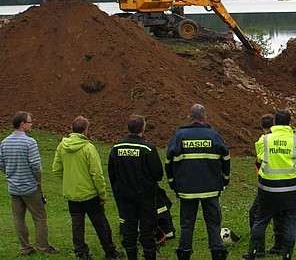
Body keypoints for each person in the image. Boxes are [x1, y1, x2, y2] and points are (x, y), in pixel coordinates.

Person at [52, 115, 123, 260]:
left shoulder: (62, 146)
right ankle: (110, 252)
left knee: (77, 225)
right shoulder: (88, 148)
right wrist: (102, 194)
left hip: (72, 194)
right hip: (90, 194)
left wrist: (69, 181)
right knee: (101, 224)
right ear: (85, 130)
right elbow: (97, 174)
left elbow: (56, 169)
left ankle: (81, 253)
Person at [166, 104, 230, 260]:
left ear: (190, 117)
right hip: (211, 189)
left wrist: (173, 183)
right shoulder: (214, 135)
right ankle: (217, 253)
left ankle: (184, 253)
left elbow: (169, 162)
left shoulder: (179, 136)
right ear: (204, 117)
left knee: (187, 225)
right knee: (213, 224)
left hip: (187, 190)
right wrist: (225, 180)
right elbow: (226, 159)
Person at [243, 109, 296, 260]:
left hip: (269, 188)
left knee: (260, 220)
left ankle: (255, 252)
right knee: (290, 222)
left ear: (275, 122)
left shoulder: (264, 140)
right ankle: (287, 254)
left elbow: (260, 159)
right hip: (292, 188)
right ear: (290, 122)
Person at [0, 111, 59, 256]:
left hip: (14, 188)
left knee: (18, 218)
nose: (32, 124)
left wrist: (10, 175)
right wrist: (38, 182)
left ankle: (25, 247)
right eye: (30, 122)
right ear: (22, 124)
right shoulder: (30, 142)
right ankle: (43, 247)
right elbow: (36, 166)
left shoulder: (4, 142)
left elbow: (1, 164)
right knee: (40, 217)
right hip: (30, 187)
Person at [108, 115, 163, 260]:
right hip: (145, 197)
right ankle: (149, 255)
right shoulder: (148, 149)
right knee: (147, 231)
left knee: (129, 231)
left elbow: (111, 173)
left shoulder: (116, 148)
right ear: (143, 128)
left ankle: (131, 256)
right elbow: (158, 174)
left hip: (124, 197)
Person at [248, 114, 284, 257]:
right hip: (286, 183)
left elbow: (259, 161)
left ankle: (259, 248)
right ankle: (279, 246)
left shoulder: (264, 141)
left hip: (268, 184)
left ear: (263, 127)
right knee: (279, 214)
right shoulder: (284, 139)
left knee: (256, 214)